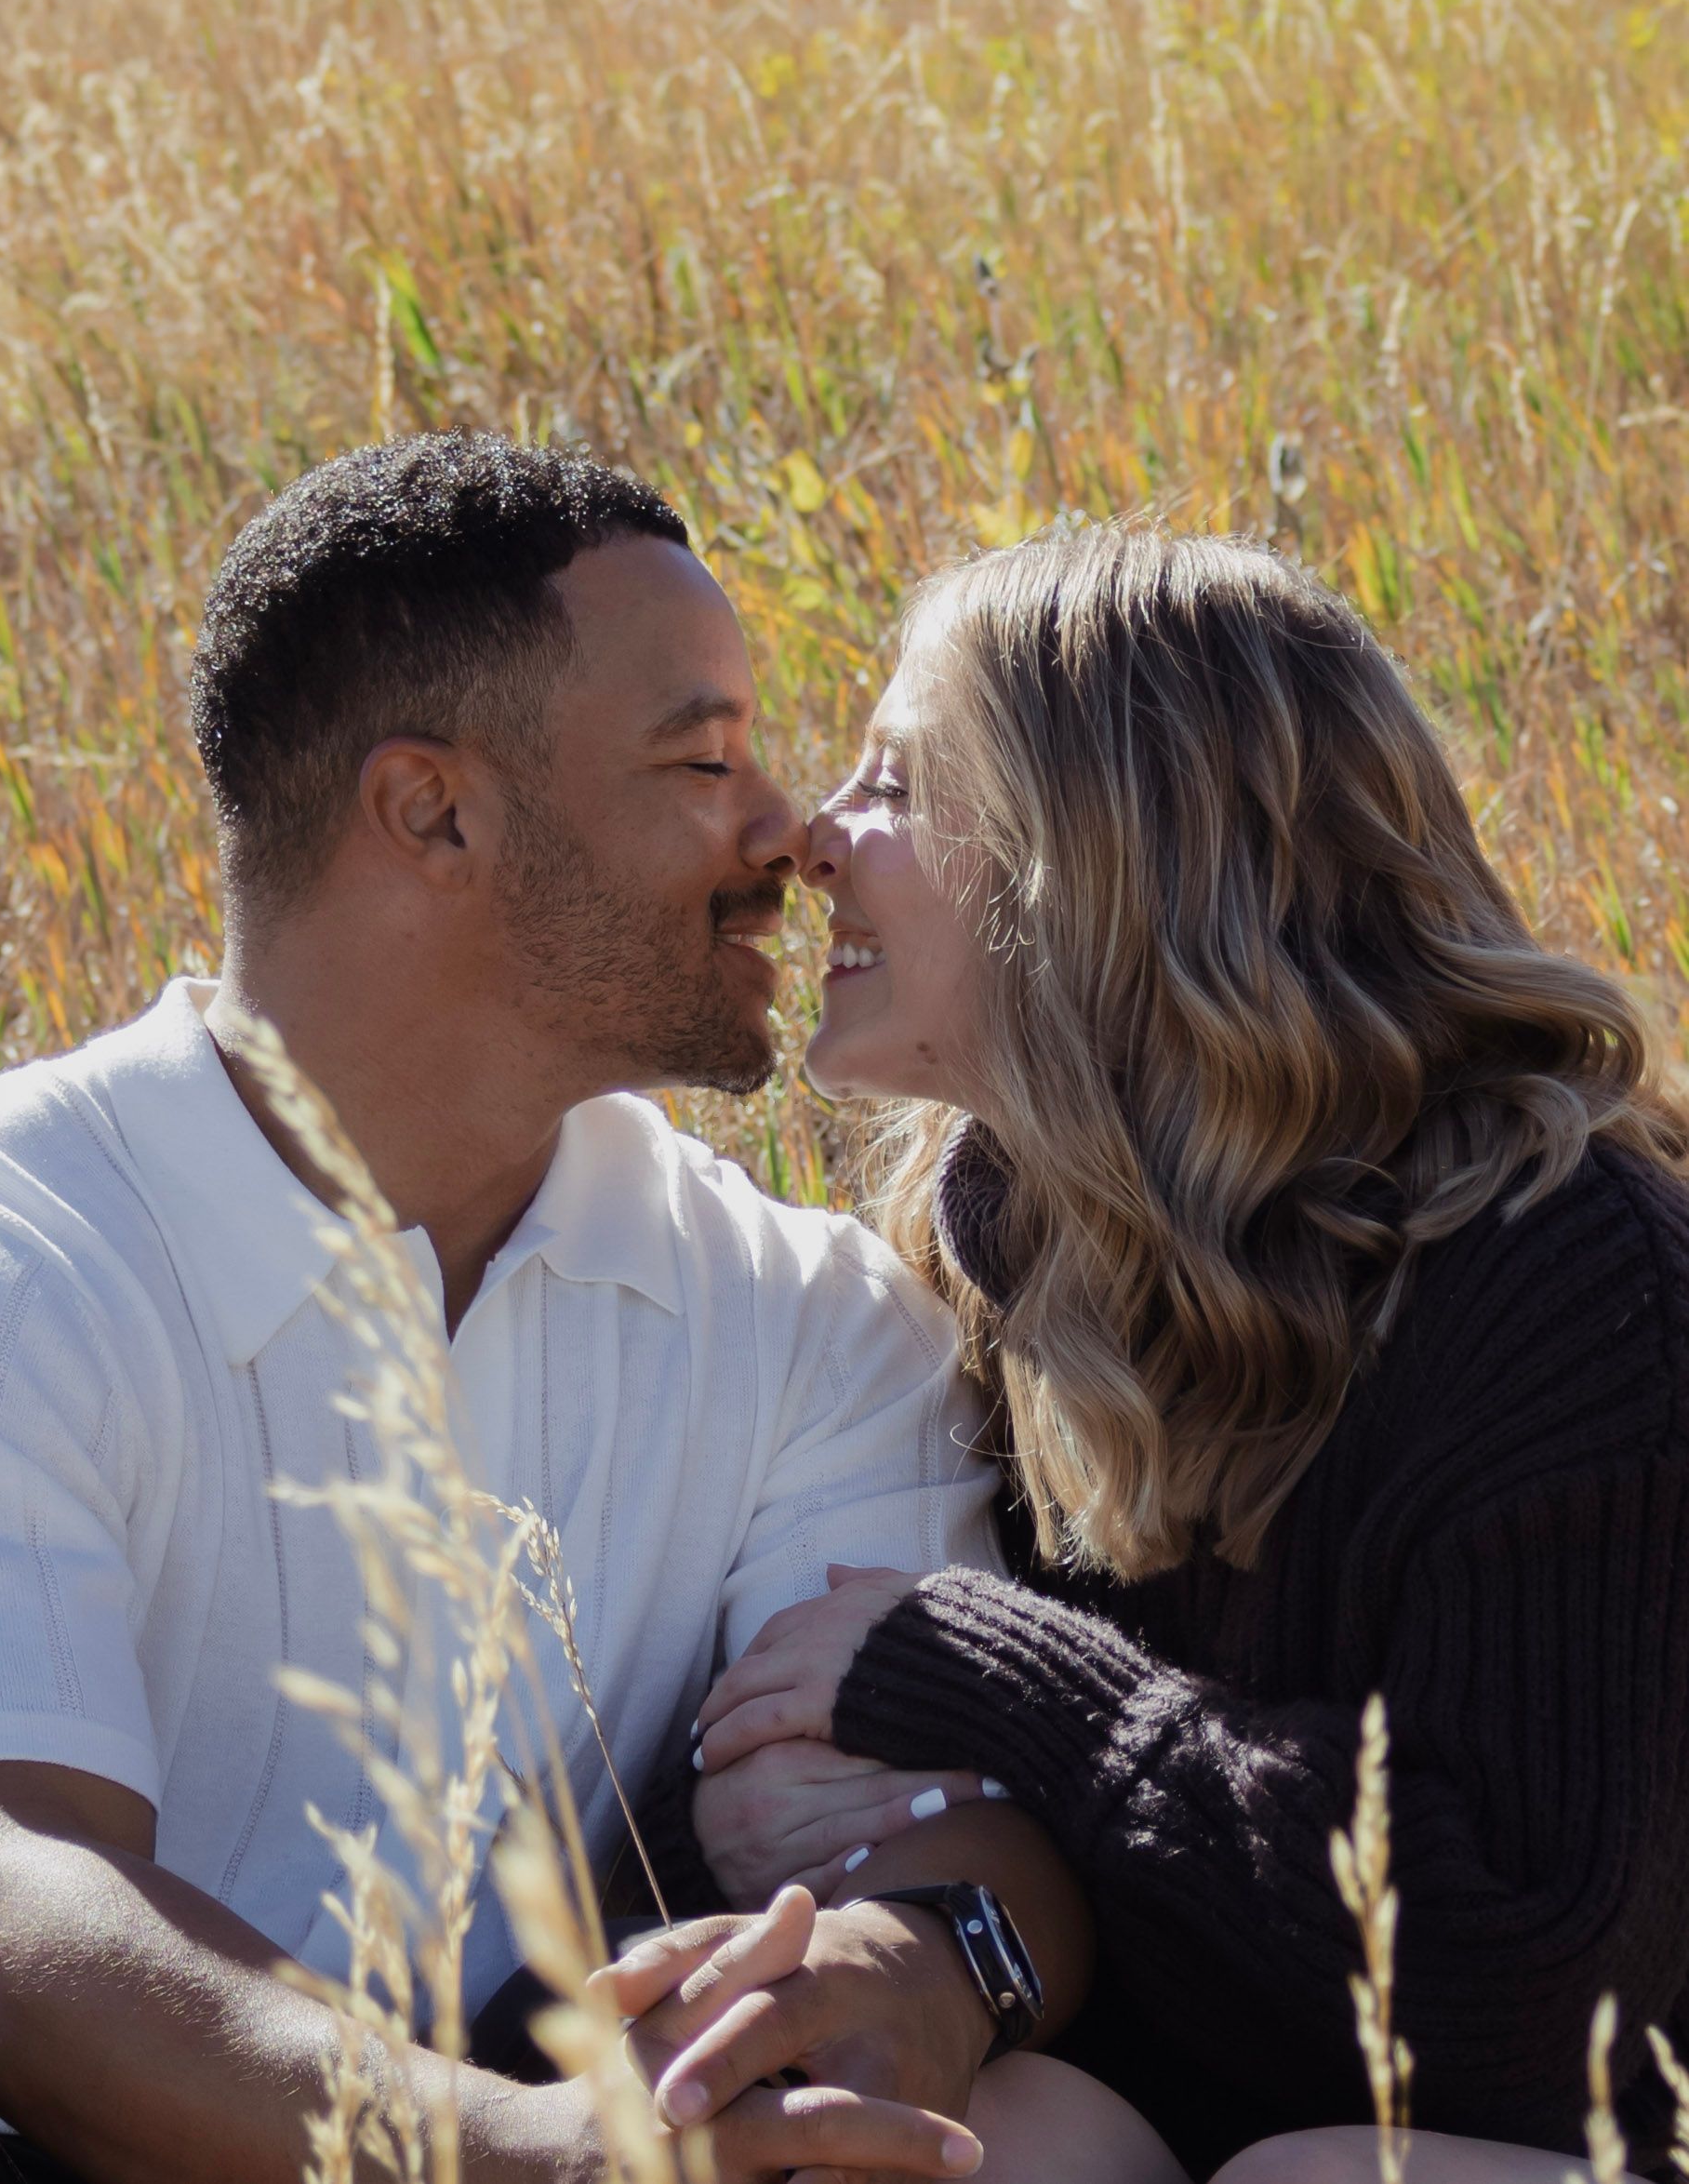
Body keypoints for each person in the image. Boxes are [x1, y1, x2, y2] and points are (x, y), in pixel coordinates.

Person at [0, 433, 1106, 2184]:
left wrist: (918, 1963)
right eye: (703, 757)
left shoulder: (803, 1313)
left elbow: (962, 1821)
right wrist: (527, 2157)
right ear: (436, 813)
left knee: (1029, 2138)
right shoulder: (5, 1266)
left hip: (596, 2107)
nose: (786, 830)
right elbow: (0, 1904)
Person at [653, 524, 1689, 2182]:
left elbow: (1516, 1992)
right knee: (953, 2137)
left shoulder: (1562, 1272)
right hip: (1210, 2120)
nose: (814, 842)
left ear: (1107, 852)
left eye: (901, 785)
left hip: (1556, 2143)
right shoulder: (994, 1243)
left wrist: (1013, 1678)